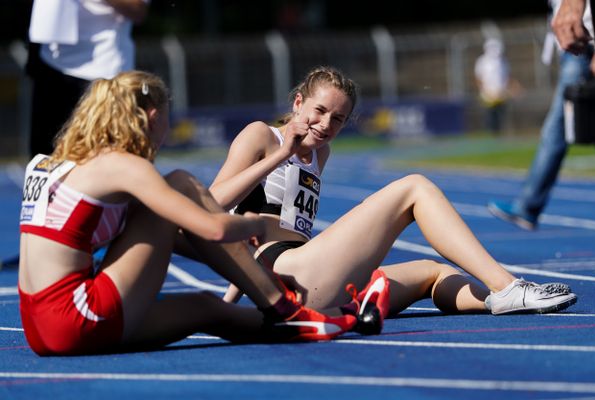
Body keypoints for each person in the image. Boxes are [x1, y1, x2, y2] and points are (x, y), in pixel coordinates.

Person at [208, 66, 577, 334]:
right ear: (299, 101)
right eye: (319, 112)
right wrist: (280, 153)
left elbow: (275, 224)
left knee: (435, 272)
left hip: (318, 279)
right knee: (414, 187)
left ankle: (495, 301)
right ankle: (509, 286)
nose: (325, 125)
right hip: (290, 275)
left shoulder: (321, 154)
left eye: (338, 119)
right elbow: (213, 206)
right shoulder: (262, 136)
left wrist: (230, 299)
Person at [17, 70, 356, 356]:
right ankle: (283, 307)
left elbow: (170, 235)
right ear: (152, 118)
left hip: (38, 328)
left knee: (205, 308)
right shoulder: (124, 167)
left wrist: (242, 258)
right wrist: (252, 225)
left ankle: (312, 320)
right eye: (168, 117)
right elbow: (214, 230)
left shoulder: (50, 163)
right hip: (79, 316)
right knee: (180, 182)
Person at [488, 0, 595, 230]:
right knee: (572, 126)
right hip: (579, 42)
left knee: (557, 128)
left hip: (584, 42)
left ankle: (529, 205)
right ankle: (529, 205)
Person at [26, 0, 149, 157]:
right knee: (44, 159)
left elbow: (138, 9)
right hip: (51, 62)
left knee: (107, 155)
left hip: (103, 71)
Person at [474, 38, 520, 133]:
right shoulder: (482, 61)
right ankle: (491, 134)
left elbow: (507, 78)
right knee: (491, 117)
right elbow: (478, 78)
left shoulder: (503, 61)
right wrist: (486, 91)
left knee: (501, 116)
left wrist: (513, 89)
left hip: (501, 94)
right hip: (488, 95)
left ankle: (499, 134)